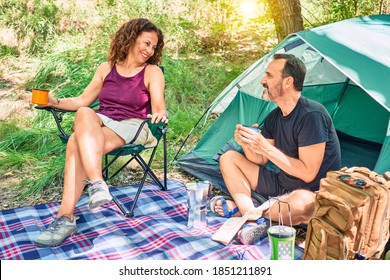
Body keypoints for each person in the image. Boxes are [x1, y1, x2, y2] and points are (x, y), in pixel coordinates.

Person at [34, 18, 168, 247]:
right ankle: (97, 183)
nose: (149, 50)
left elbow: (159, 105)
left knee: (76, 141)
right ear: (131, 37)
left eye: (153, 47)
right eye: (146, 43)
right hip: (102, 121)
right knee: (85, 111)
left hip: (133, 125)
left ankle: (65, 218)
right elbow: (83, 100)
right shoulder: (106, 68)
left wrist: (160, 113)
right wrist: (53, 101)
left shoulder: (152, 72)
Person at [211, 53, 341, 244]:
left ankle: (247, 210)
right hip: (281, 184)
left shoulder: (312, 115)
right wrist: (248, 144)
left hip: (311, 192)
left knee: (300, 205)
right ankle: (253, 216)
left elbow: (308, 174)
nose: (263, 81)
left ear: (288, 82)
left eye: (269, 76)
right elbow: (260, 160)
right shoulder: (274, 117)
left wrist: (264, 147)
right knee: (229, 158)